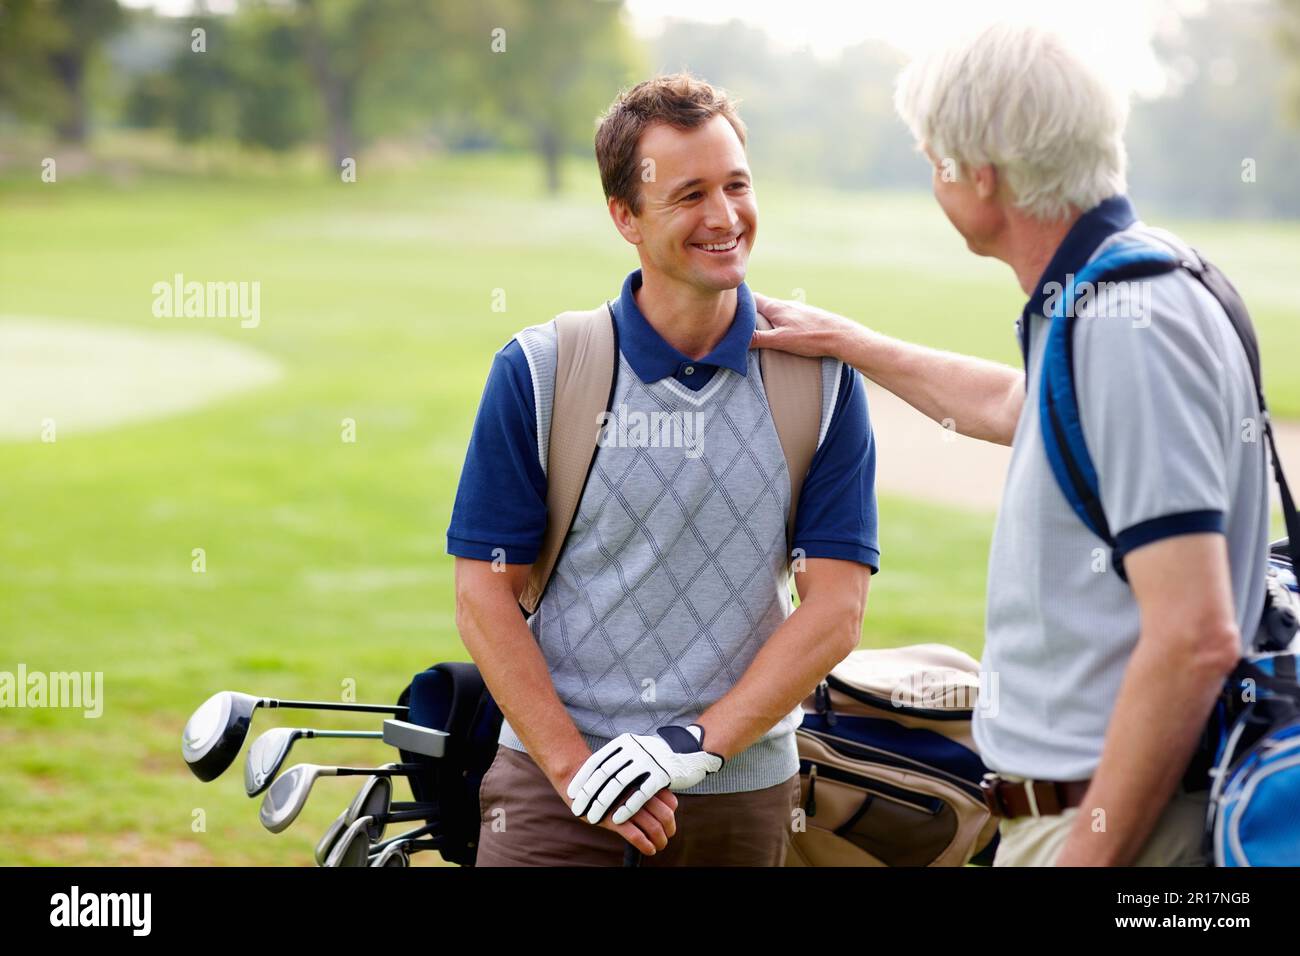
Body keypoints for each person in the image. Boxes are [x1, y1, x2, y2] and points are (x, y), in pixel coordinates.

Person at [752, 23, 1269, 866]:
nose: (933, 180)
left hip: (1113, 830)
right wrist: (853, 342)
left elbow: (1194, 633)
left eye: (935, 160)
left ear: (980, 176)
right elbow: (1023, 405)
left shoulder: (1124, 325)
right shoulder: (1127, 283)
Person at [447, 74, 879, 866]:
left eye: (737, 185)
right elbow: (483, 596)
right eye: (689, 195)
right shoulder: (540, 370)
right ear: (626, 215)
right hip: (554, 798)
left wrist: (694, 745)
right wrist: (580, 773)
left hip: (742, 798)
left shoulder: (821, 379)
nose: (724, 217)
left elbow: (836, 610)